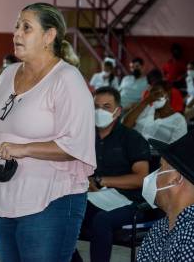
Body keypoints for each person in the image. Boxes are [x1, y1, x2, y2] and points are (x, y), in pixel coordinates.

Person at [0, 2, 96, 262]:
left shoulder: (67, 80)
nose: (16, 33)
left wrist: (24, 149)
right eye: (17, 26)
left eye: (26, 27)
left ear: (49, 36)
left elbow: (75, 145)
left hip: (50, 200)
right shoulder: (8, 74)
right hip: (4, 196)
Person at [72, 87, 150, 262]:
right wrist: (85, 181)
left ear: (118, 111)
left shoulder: (131, 138)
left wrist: (100, 180)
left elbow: (141, 178)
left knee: (102, 220)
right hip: (93, 196)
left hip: (130, 202)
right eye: (96, 106)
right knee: (62, 212)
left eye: (106, 107)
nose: (100, 111)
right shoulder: (84, 136)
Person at [137, 131, 194, 261]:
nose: (155, 175)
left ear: (175, 179)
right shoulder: (161, 227)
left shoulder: (191, 238)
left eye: (161, 167)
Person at [123, 80, 187, 144]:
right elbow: (125, 127)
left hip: (156, 153)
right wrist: (146, 101)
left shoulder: (179, 120)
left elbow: (176, 149)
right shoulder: (144, 110)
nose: (154, 97)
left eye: (157, 93)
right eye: (151, 94)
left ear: (168, 93)